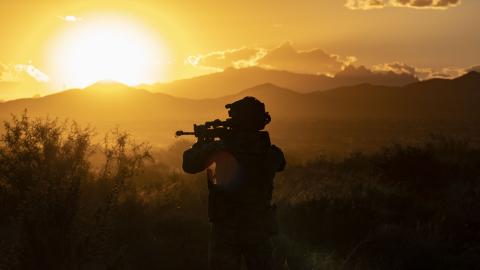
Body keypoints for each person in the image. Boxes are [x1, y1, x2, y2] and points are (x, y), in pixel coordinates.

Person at [182, 97, 286, 270]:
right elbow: (279, 163)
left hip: (226, 230)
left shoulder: (219, 149)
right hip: (258, 228)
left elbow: (189, 165)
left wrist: (201, 143)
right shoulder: (269, 151)